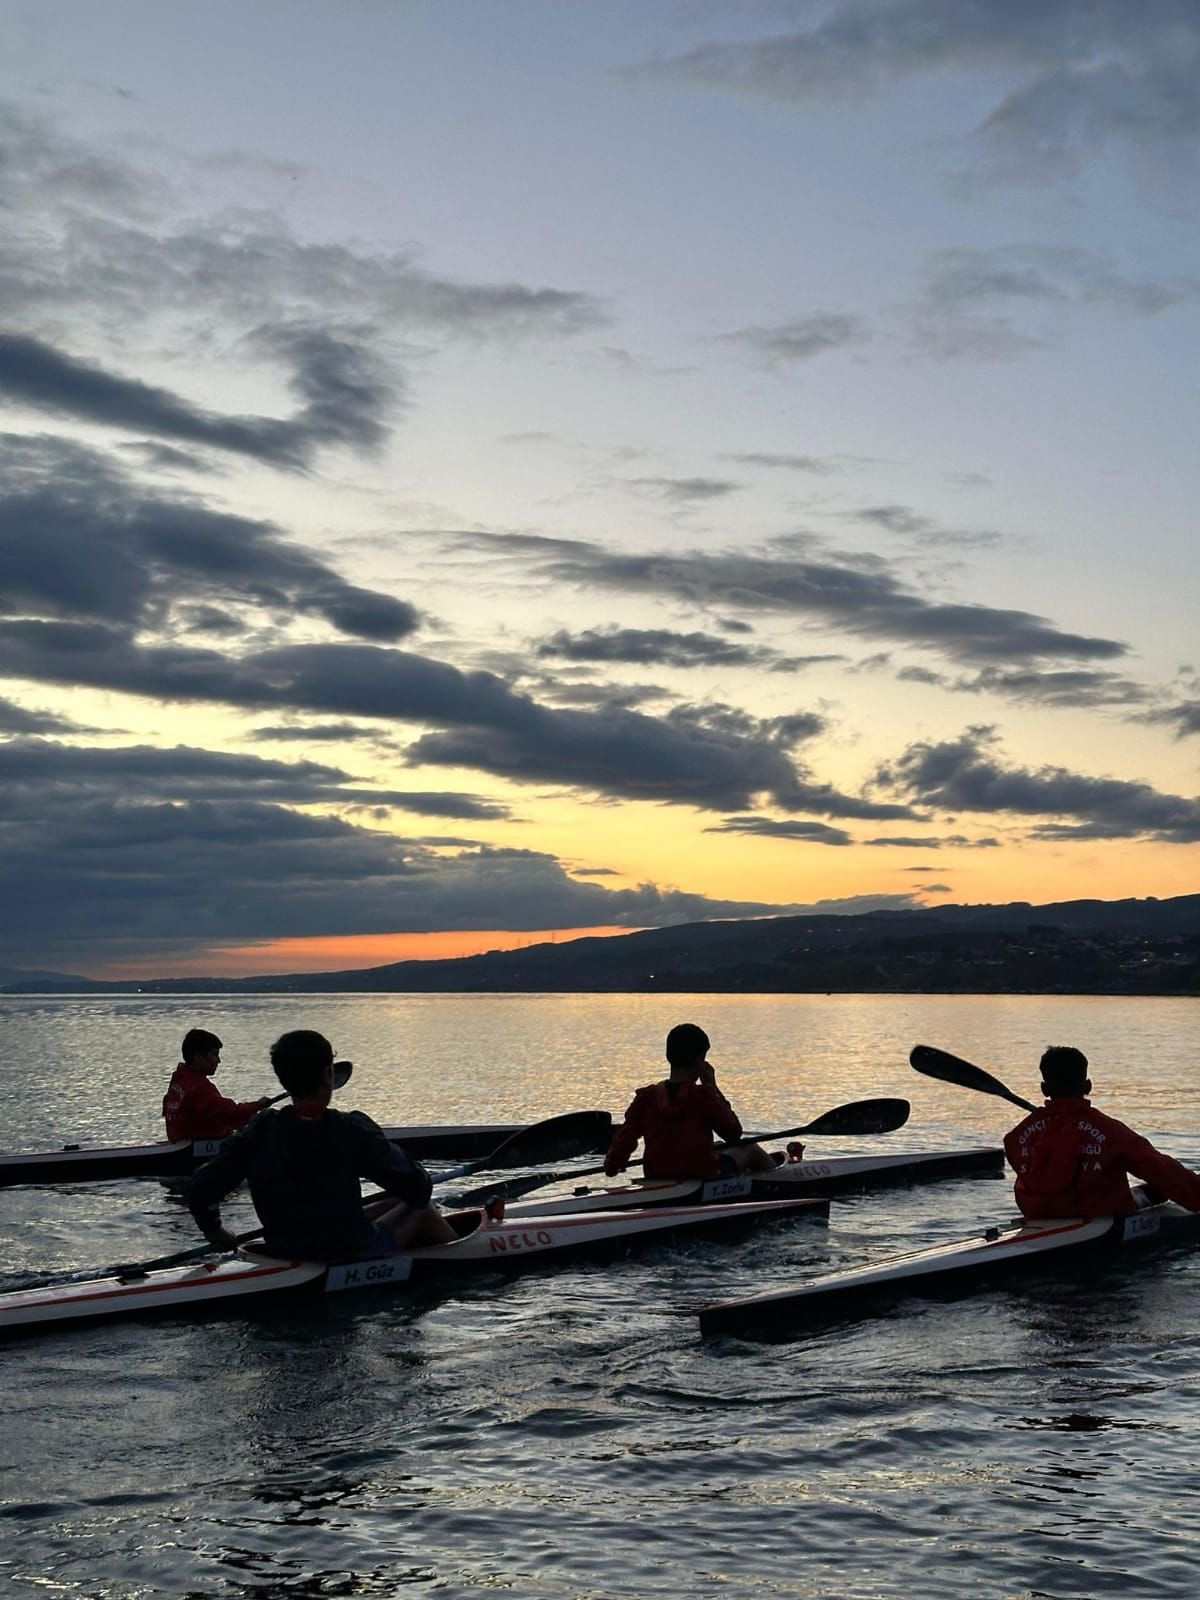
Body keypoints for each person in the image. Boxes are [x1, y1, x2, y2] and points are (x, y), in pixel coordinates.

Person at [188, 1028, 456, 1260]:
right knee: (422, 1210)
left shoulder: (259, 1129)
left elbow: (200, 1189)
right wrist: (379, 1141)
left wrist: (215, 1231)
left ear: (284, 1079)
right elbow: (419, 1189)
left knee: (394, 1201)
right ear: (329, 1074)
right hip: (346, 1252)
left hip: (283, 1247)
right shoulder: (351, 1129)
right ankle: (466, 1267)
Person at [1004, 1045, 1200, 1220]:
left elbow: (1015, 1150)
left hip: (1037, 1214)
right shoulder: (1112, 1132)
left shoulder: (1018, 1135)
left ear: (1044, 1088)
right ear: (1088, 1086)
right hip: (1100, 1213)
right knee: (1154, 1191)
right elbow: (1160, 1169)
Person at [603, 1022, 775, 1182]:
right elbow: (733, 1133)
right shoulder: (704, 1095)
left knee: (718, 1146)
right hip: (702, 1174)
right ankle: (777, 1180)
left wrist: (613, 1164)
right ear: (700, 1059)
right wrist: (712, 1086)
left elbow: (625, 1138)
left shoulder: (646, 1098)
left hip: (656, 1175)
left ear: (668, 1057)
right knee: (749, 1148)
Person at [162, 1029, 270, 1142]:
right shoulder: (200, 1087)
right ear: (197, 1057)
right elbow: (230, 1113)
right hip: (198, 1146)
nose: (218, 1061)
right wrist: (258, 1105)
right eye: (214, 1055)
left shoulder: (179, 1078)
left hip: (180, 1140)